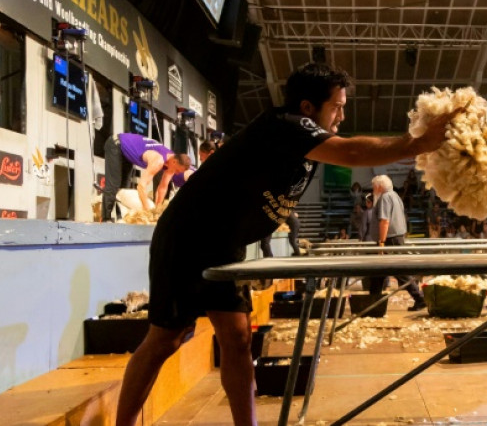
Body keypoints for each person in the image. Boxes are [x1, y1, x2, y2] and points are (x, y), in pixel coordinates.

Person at [114, 63, 457, 426]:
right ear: (308, 108)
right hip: (186, 237)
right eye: (336, 106)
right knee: (165, 339)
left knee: (238, 338)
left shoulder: (305, 139)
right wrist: (417, 143)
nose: (342, 114)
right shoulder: (285, 126)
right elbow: (353, 153)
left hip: (222, 242)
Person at [367, 174, 426, 311]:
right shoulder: (395, 196)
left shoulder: (385, 198)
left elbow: (385, 221)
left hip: (389, 239)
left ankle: (420, 298)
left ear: (379, 186)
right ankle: (373, 303)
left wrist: (381, 241)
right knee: (378, 272)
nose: (373, 189)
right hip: (395, 237)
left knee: (400, 272)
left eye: (374, 186)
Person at [102, 133, 192, 221]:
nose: (176, 173)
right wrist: (148, 211)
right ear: (174, 162)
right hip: (116, 143)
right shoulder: (158, 160)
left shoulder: (172, 161)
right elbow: (141, 186)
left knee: (124, 189)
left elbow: (162, 188)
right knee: (114, 183)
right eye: (177, 170)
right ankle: (106, 219)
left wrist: (157, 210)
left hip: (127, 154)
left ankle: (119, 217)